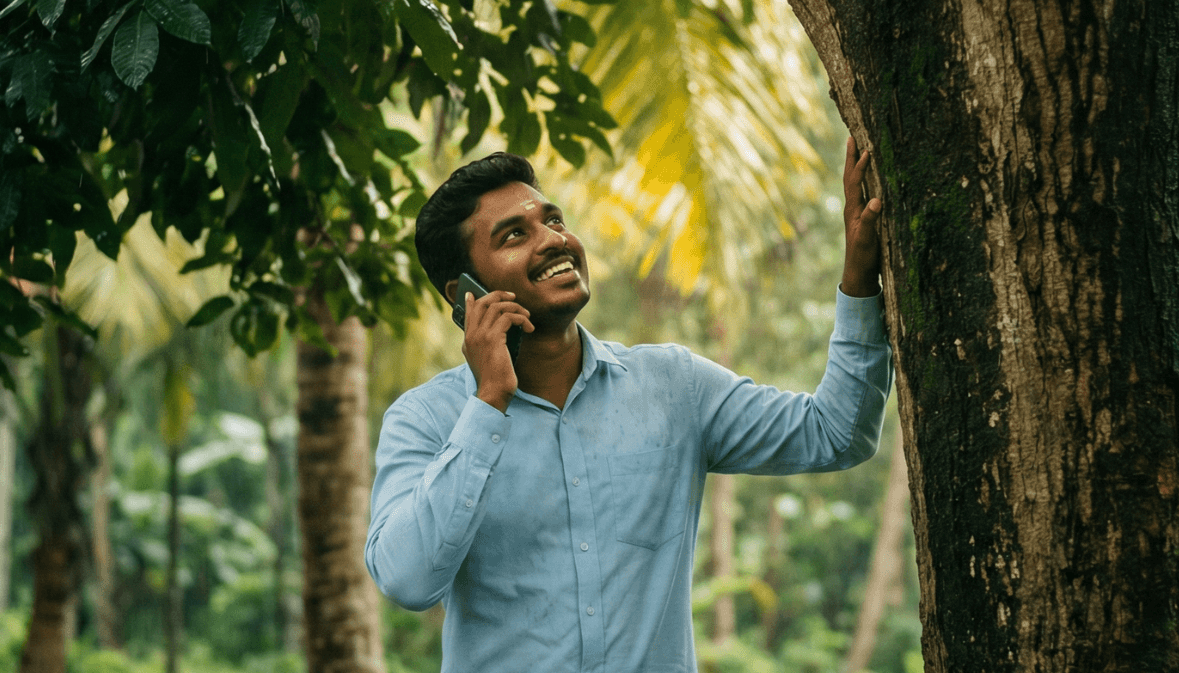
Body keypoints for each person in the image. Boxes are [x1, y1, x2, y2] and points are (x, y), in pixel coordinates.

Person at [364, 142, 893, 672]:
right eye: (515, 235)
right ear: (465, 296)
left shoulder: (673, 385)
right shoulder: (425, 420)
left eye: (554, 220)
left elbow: (836, 432)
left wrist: (860, 276)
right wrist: (488, 404)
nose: (553, 240)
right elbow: (408, 581)